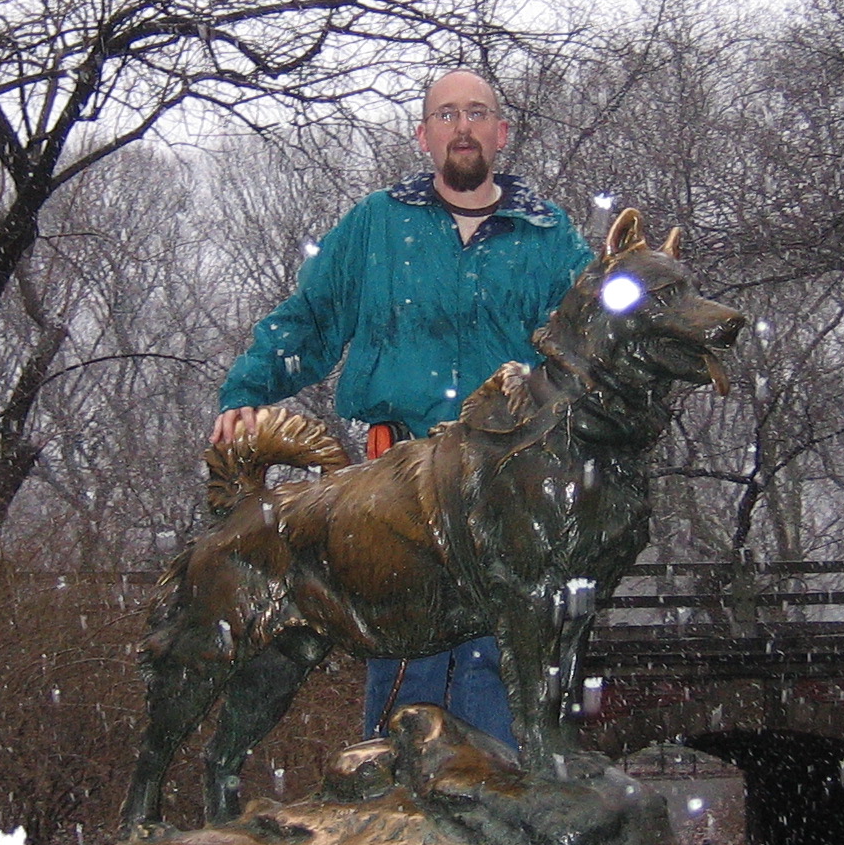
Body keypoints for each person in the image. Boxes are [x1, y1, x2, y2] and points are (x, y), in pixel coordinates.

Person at [211, 70, 592, 750]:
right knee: (403, 651)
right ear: (423, 135)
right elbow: (312, 317)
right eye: (446, 115)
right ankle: (394, 790)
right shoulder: (378, 224)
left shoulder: (548, 235)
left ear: (501, 132)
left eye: (477, 113)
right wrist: (248, 391)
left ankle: (494, 793)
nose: (462, 127)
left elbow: (586, 345)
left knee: (501, 653)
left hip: (507, 480)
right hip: (397, 475)